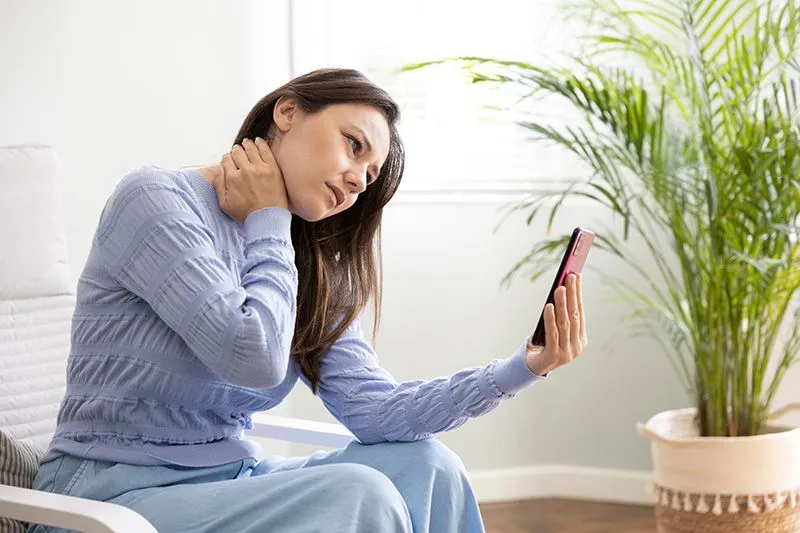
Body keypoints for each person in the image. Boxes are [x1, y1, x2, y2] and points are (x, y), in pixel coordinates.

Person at [28, 68, 587, 533]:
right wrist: (269, 218)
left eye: (370, 176)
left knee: (428, 465)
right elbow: (251, 354)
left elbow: (377, 412)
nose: (357, 182)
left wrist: (523, 367)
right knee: (358, 493)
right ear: (288, 112)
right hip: (106, 496)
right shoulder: (157, 200)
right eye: (353, 145)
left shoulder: (303, 259)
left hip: (229, 484)